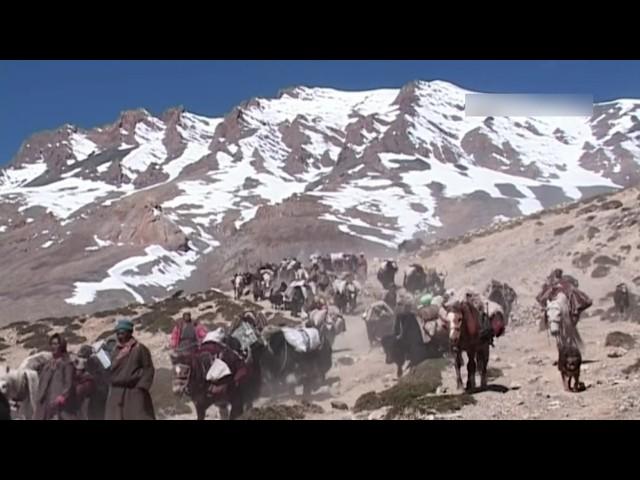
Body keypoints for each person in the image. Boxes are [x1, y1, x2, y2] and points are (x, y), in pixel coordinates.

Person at [105, 319, 156, 420]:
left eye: (122, 333)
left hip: (134, 392)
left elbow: (148, 369)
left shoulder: (140, 349)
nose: (119, 336)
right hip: (116, 392)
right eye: (118, 333)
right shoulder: (114, 350)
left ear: (129, 333)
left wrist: (141, 388)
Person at [34, 334, 77, 420]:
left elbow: (69, 383)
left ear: (61, 346)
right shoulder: (47, 365)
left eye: (56, 344)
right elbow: (41, 382)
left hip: (59, 406)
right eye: (52, 344)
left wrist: (63, 397)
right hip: (45, 404)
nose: (53, 346)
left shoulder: (67, 364)